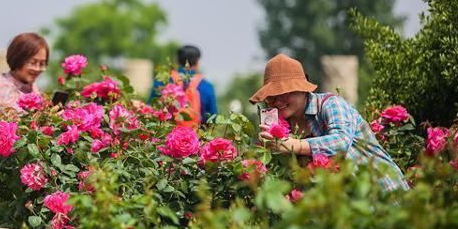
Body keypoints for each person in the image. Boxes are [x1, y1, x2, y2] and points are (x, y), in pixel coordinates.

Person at [250, 53, 408, 191]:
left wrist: (294, 145)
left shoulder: (330, 104)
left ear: (302, 89)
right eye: (272, 96)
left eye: (283, 93)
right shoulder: (283, 126)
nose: (277, 101)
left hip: (384, 191)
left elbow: (341, 142)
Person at [0, 33, 49, 118]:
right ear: (18, 59)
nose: (37, 68)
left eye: (42, 64)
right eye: (32, 63)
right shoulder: (4, 90)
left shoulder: (31, 86)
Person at [150, 45, 217, 126]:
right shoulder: (207, 86)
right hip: (195, 135)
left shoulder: (162, 81)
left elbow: (151, 109)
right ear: (197, 62)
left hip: (165, 135)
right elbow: (212, 119)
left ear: (177, 60)